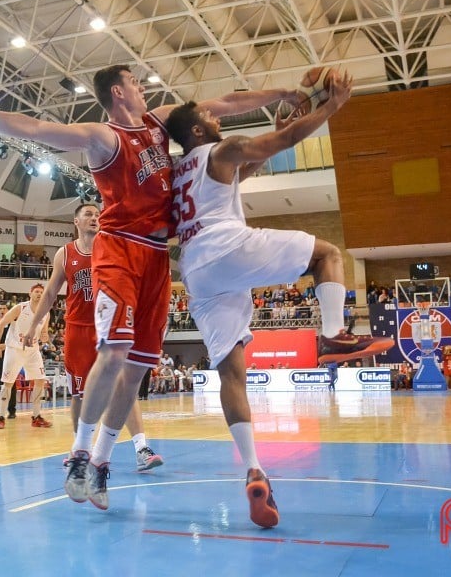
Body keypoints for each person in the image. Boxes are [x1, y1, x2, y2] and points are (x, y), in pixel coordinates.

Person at [0, 65, 298, 511]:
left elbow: (222, 104)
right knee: (116, 351)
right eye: (136, 81)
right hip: (120, 250)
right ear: (119, 92)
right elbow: (35, 127)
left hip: (158, 258)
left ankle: (102, 463)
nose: (144, 86)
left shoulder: (159, 121)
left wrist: (282, 92)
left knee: (138, 368)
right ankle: (79, 455)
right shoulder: (102, 137)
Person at [162, 71, 394, 527]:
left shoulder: (179, 171)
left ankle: (254, 467)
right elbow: (279, 143)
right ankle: (330, 337)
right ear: (196, 130)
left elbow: (244, 171)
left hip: (194, 268)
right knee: (326, 255)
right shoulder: (220, 149)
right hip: (224, 247)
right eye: (208, 115)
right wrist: (330, 108)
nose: (214, 117)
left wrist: (290, 112)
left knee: (231, 370)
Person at [23, 203, 164, 471]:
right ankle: (81, 449)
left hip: (109, 325)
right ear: (75, 221)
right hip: (78, 328)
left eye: (98, 214)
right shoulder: (65, 254)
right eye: (88, 214)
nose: (94, 218)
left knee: (124, 387)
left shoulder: (111, 248)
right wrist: (33, 326)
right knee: (78, 393)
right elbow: (51, 293)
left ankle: (142, 447)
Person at [0, 284, 52, 430]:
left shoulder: (46, 312)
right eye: (36, 292)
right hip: (15, 349)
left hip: (32, 350)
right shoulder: (20, 308)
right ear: (30, 294)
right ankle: (1, 417)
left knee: (40, 380)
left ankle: (36, 416)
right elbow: (1, 324)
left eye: (41, 292)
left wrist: (45, 337)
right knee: (8, 382)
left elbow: (44, 334)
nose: (39, 294)